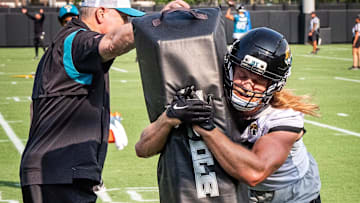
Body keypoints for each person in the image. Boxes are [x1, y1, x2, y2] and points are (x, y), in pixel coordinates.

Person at [19, 0, 190, 202]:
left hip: (59, 172)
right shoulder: (76, 41)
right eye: (123, 17)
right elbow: (111, 43)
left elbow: (34, 109)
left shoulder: (66, 42)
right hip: (59, 175)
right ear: (101, 13)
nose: (126, 23)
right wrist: (158, 20)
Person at [136, 27, 321, 203]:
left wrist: (207, 129)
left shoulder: (283, 117)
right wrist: (169, 118)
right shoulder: (215, 95)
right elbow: (142, 149)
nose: (247, 85)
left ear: (274, 86)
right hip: (243, 193)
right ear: (230, 68)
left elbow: (255, 173)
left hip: (293, 195)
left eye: (258, 81)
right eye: (242, 74)